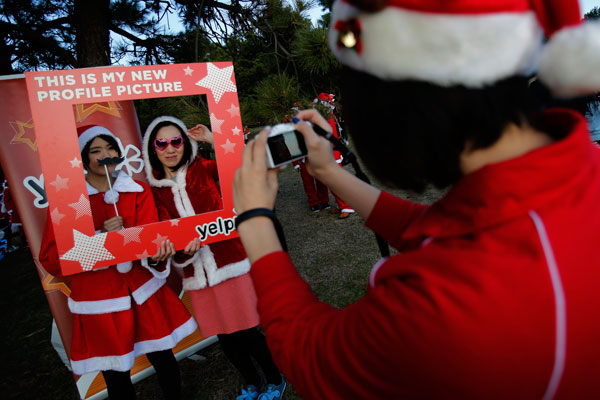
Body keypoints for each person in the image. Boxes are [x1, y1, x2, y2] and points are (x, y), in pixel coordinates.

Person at [232, 0, 600, 399]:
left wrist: (254, 220)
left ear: (397, 100)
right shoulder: (574, 172)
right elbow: (443, 232)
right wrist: (329, 172)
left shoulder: (442, 313)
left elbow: (311, 356)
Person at [39, 125, 198, 400]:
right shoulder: (68, 204)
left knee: (163, 357)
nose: (105, 155)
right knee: (115, 373)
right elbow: (53, 260)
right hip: (100, 301)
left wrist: (157, 253)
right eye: (95, 150)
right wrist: (103, 239)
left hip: (142, 291)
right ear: (82, 158)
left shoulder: (137, 191)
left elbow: (153, 236)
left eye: (110, 148)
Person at [142, 116, 286, 400]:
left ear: (186, 143)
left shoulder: (205, 168)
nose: (170, 148)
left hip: (230, 261)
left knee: (246, 330)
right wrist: (183, 250)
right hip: (196, 273)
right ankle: (252, 383)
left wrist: (214, 139)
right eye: (161, 143)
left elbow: (253, 163)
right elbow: (161, 232)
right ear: (152, 149)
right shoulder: (154, 190)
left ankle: (274, 379)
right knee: (224, 335)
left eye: (176, 141)